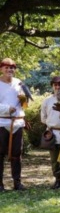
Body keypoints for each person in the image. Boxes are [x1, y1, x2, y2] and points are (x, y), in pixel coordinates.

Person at [0, 58, 28, 191]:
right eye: (6, 67)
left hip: (17, 123)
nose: (10, 69)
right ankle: (0, 184)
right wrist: (6, 108)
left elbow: (25, 105)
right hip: (2, 122)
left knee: (17, 153)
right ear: (1, 69)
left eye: (12, 67)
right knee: (0, 154)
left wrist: (23, 100)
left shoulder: (19, 83)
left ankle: (17, 182)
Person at [40, 76, 60, 189]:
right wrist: (53, 124)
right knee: (54, 159)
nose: (58, 87)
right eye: (55, 85)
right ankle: (58, 179)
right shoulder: (47, 100)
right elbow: (43, 118)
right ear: (52, 86)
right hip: (53, 133)